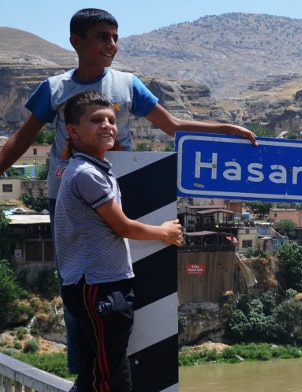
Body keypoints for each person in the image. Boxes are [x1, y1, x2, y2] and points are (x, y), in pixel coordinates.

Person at [0, 8, 257, 374]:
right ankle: (85, 372)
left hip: (123, 191)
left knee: (129, 280)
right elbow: (18, 143)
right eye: (103, 37)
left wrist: (226, 129)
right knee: (75, 283)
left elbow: (173, 126)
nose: (112, 45)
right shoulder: (54, 89)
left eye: (115, 37)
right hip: (68, 198)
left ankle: (136, 368)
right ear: (77, 41)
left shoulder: (127, 84)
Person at [56, 91, 183, 392]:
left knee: (97, 368)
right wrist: (164, 232)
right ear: (73, 132)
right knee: (111, 375)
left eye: (111, 120)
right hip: (99, 285)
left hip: (101, 283)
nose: (107, 126)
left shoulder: (90, 168)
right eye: (96, 120)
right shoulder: (88, 174)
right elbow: (123, 227)